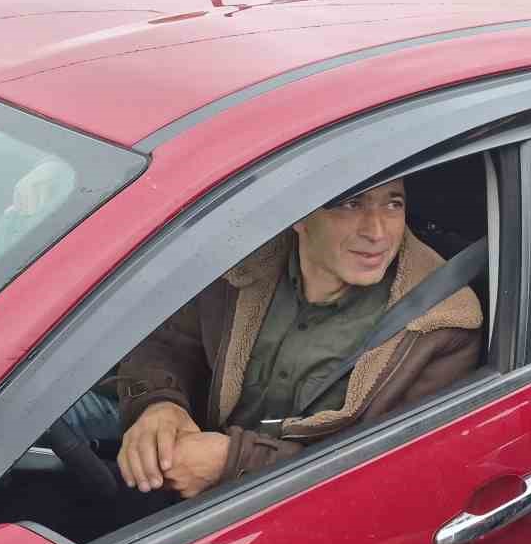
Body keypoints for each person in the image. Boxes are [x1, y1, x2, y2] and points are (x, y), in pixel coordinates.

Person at [115, 180, 482, 499]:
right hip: (170, 475)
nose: (378, 232)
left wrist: (231, 462)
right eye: (350, 204)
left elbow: (383, 478)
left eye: (393, 203)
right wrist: (160, 405)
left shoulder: (440, 325)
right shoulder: (240, 261)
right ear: (298, 212)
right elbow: (167, 344)